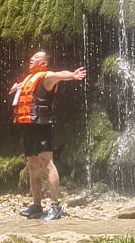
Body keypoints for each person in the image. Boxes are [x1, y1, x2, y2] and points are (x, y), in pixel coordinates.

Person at [8, 48, 86, 220]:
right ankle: (36, 205)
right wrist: (14, 88)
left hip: (41, 125)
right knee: (32, 165)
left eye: (36, 57)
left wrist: (72, 75)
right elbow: (15, 93)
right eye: (31, 56)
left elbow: (60, 74)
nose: (31, 59)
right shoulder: (27, 79)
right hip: (27, 125)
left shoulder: (47, 77)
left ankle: (55, 206)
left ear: (43, 63)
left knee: (47, 162)